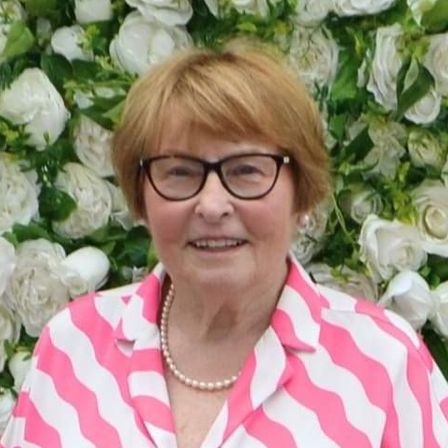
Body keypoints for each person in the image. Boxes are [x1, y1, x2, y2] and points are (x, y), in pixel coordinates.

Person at [1, 41, 448, 448]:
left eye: (247, 170)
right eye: (179, 172)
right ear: (142, 196)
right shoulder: (73, 343)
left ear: (302, 194)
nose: (212, 204)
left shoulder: (384, 362)